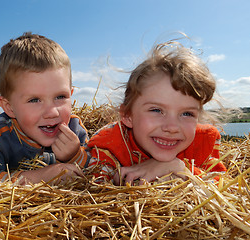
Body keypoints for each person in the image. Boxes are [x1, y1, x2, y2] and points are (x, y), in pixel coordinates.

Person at [0, 32, 90, 185]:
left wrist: (75, 155)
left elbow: (99, 167)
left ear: (71, 94)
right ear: (9, 107)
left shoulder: (74, 129)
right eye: (34, 100)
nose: (52, 112)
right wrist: (37, 178)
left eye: (60, 97)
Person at [87, 40, 227, 185]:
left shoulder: (203, 141)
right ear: (128, 115)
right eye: (156, 110)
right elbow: (95, 183)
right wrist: (120, 181)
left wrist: (180, 169)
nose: (172, 127)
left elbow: (222, 187)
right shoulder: (111, 143)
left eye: (187, 114)